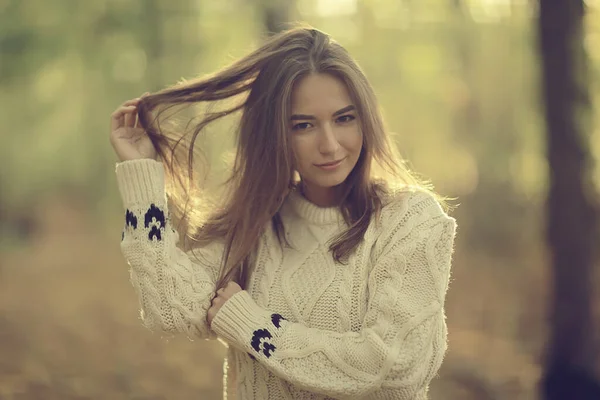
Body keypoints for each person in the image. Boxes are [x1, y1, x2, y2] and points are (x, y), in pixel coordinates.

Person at [109, 25, 457, 400]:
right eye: (303, 125)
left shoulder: (410, 220)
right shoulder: (257, 225)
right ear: (275, 134)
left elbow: (394, 366)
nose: (329, 144)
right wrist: (142, 175)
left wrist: (255, 328)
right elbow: (169, 308)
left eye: (344, 118)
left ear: (366, 120)